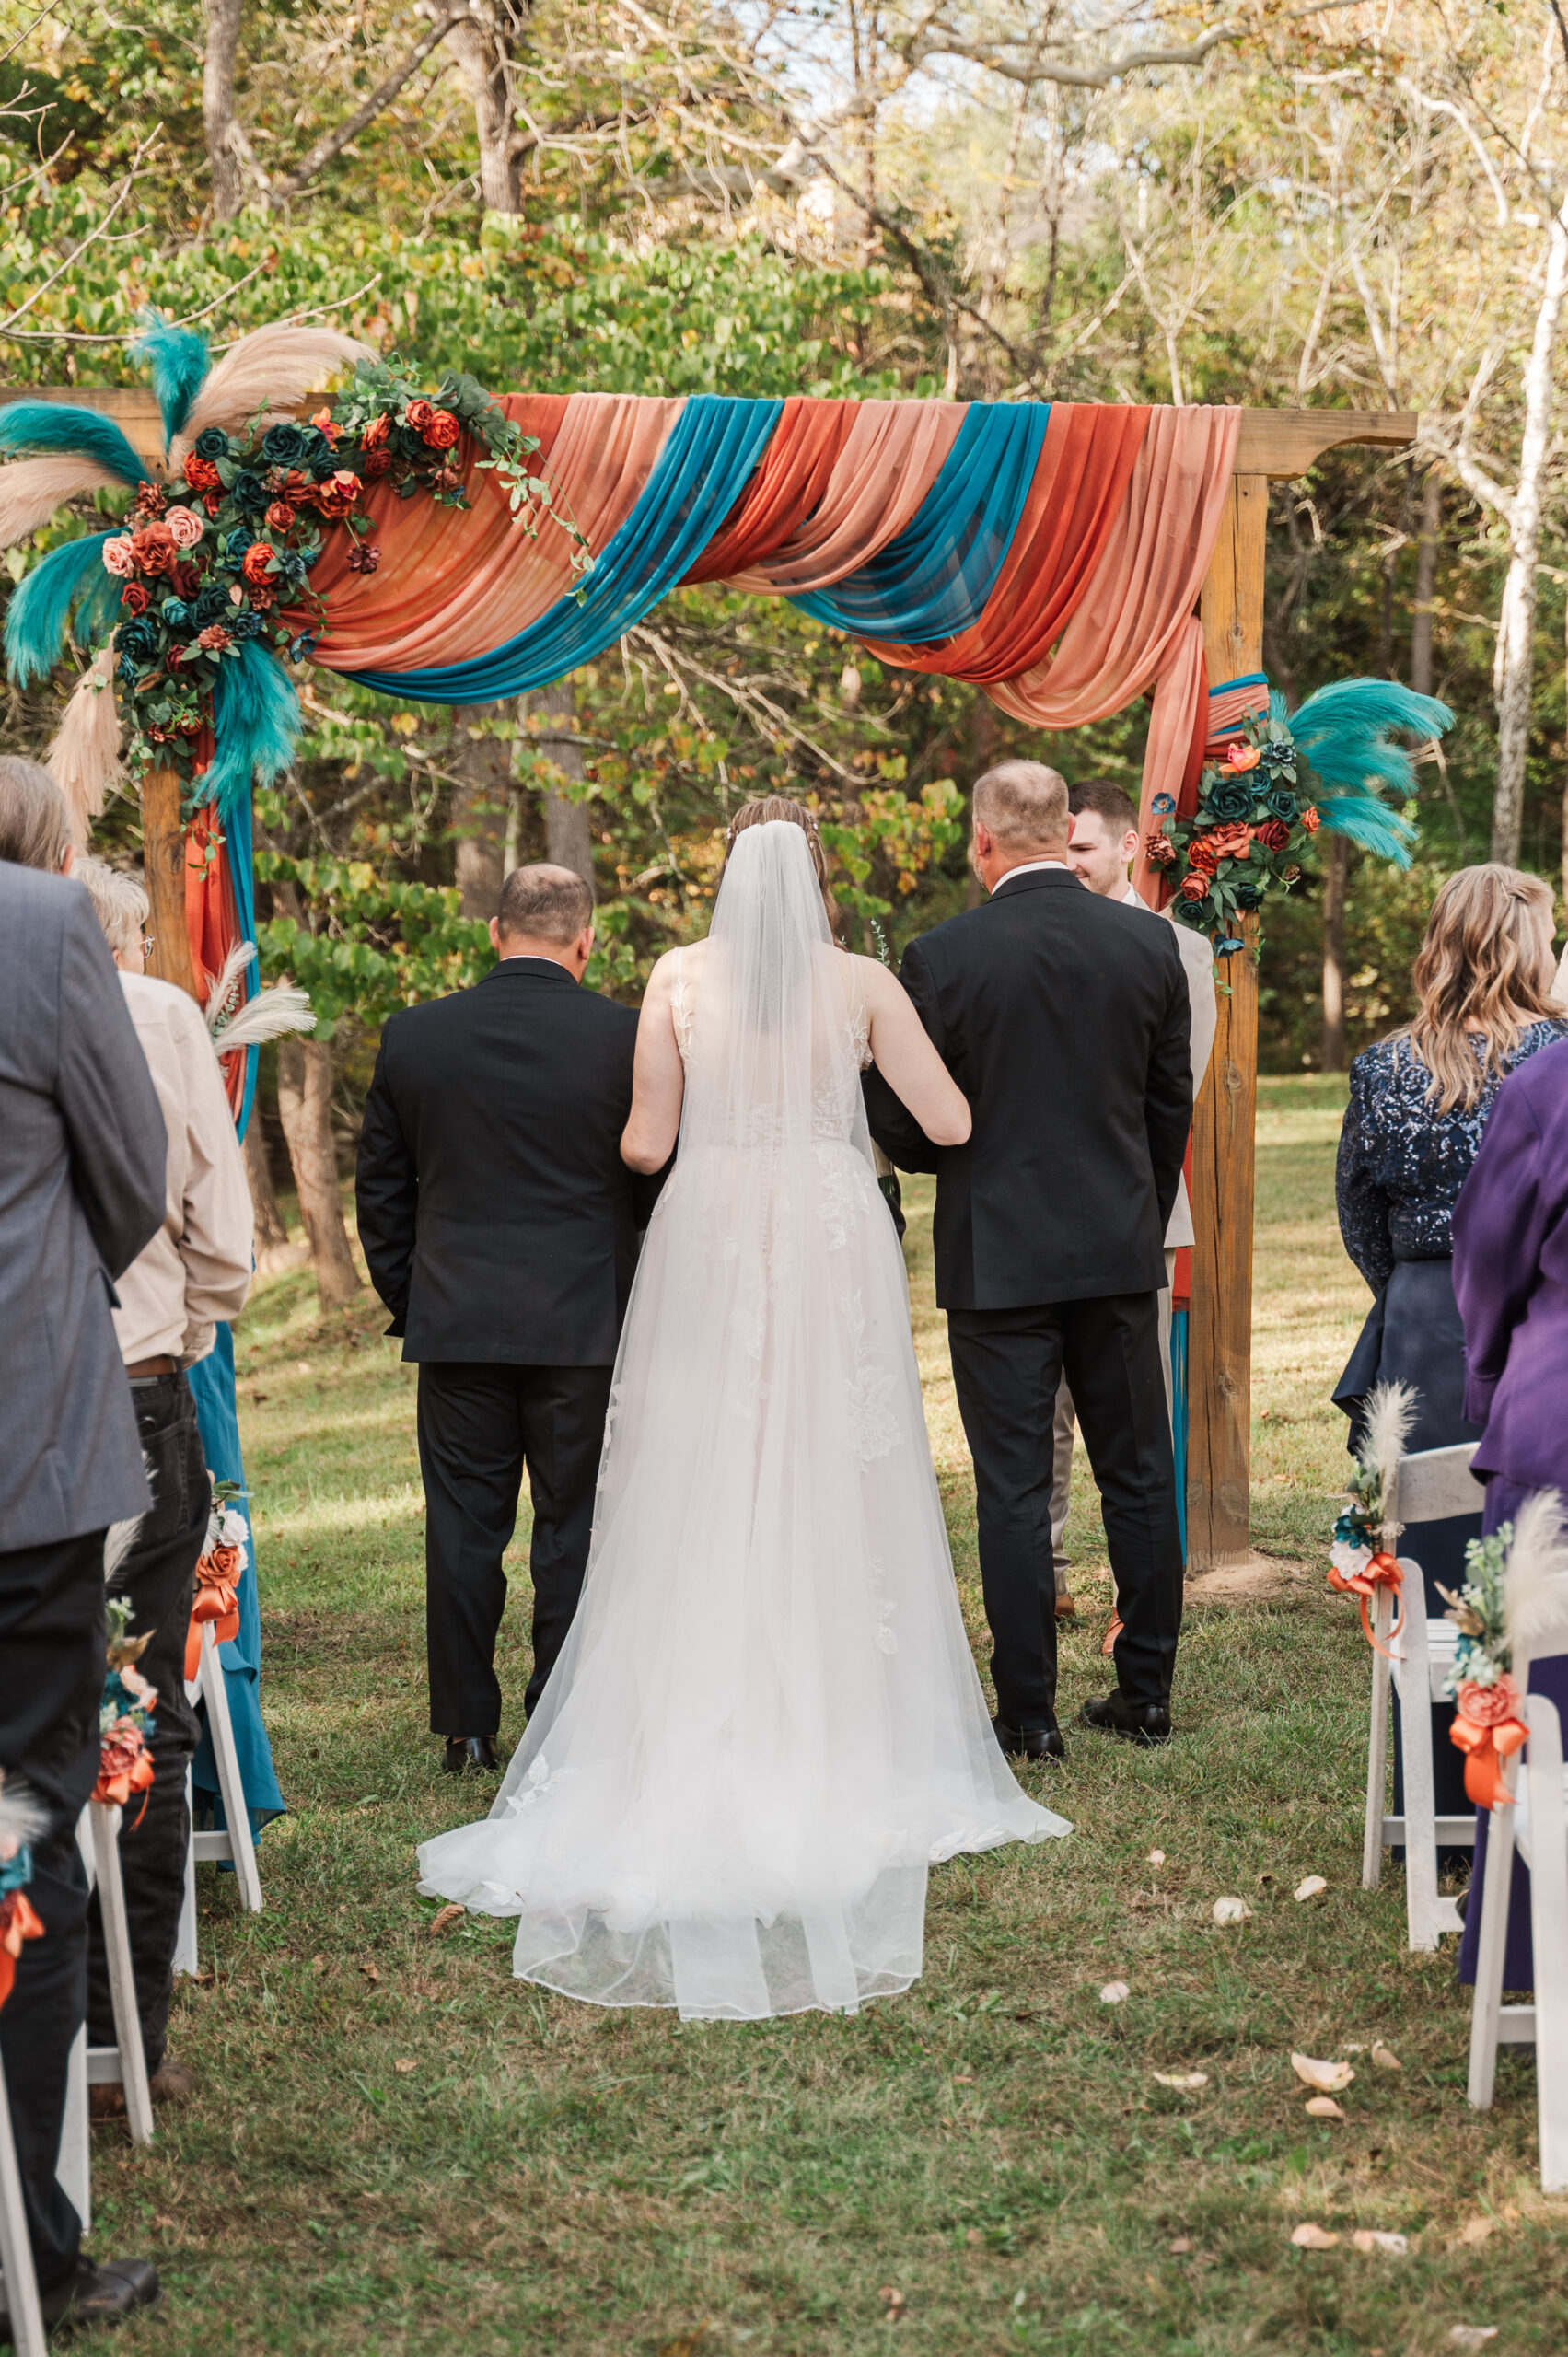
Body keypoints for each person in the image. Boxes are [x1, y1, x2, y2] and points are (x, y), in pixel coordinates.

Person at [417, 801, 1066, 2020]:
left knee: (702, 1463)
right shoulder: (863, 980)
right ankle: (847, 1718)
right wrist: (835, 1110)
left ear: (726, 877)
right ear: (817, 879)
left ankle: (688, 1710)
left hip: (708, 1230)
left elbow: (647, 1147)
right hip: (828, 1230)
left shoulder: (673, 975)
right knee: (835, 1459)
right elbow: (948, 1123)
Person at [865, 761, 1192, 1750]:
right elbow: (1165, 1108)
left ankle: (1028, 1715)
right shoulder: (1147, 945)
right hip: (1114, 1249)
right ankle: (1143, 1694)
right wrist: (1126, 1202)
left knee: (1010, 1486)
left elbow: (916, 1136)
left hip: (996, 1263)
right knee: (1135, 1473)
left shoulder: (940, 957)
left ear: (982, 842)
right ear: (1064, 828)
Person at [356, 864, 664, 1774]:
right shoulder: (627, 1038)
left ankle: (464, 1726)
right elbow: (655, 1184)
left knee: (461, 1526)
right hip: (585, 1324)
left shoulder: (417, 1037)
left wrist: (412, 1296)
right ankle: (558, 1715)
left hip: (458, 1319)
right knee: (571, 1526)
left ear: (495, 932)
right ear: (586, 939)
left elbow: (380, 1191)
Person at [0, 757, 165, 2330]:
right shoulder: (46, 925)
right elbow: (132, 1182)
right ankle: (31, 2253)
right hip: (25, 1453)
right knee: (28, 1822)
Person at [74, 857, 253, 2119]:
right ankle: (123, 2024)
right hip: (124, 1385)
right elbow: (213, 1211)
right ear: (126, 936)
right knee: (140, 1699)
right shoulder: (151, 1015)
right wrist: (185, 1333)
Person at [1334, 864, 1566, 1833]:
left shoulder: (1384, 1067)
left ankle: (1436, 1801)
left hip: (1423, 1319)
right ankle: (1531, 1787)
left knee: (1428, 1564)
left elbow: (1359, 1211)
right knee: (1527, 1557)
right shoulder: (1556, 1058)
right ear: (1527, 943)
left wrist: (1406, 1292)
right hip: (1536, 1327)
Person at [1063, 778, 1218, 1646]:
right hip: (1043, 1209)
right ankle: (1045, 1572)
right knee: (1042, 1419)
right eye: (1063, 849)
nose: (1072, 864)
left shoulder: (1176, 948)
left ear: (1127, 847)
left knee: (1133, 1418)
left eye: (1084, 848)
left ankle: (1138, 1602)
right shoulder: (1040, 932)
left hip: (1137, 1211)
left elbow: (1176, 1089)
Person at [1451, 1032, 1568, 1991]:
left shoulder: (1546, 1083)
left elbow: (1487, 1256)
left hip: (1554, 1420)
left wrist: (1485, 1376)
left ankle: (1528, 1940)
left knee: (1541, 1694)